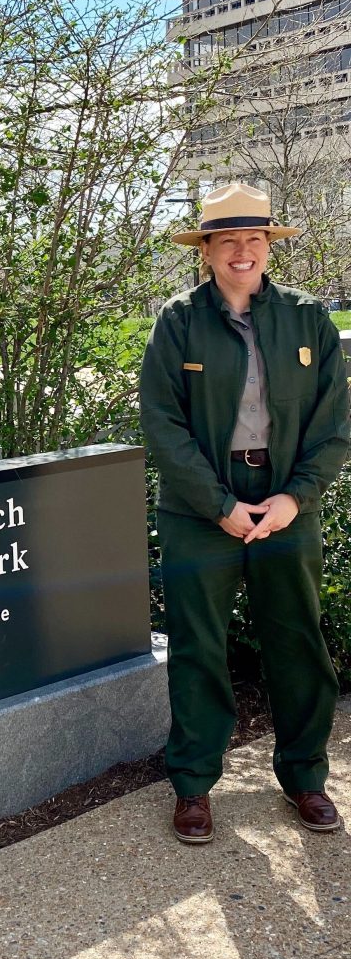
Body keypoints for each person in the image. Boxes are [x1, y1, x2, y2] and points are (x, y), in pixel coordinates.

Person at [140, 182, 350, 844]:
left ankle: (306, 775)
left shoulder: (307, 318)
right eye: (227, 239)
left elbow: (334, 425)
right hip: (200, 507)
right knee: (199, 646)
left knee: (297, 640)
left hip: (288, 498)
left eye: (254, 238)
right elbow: (162, 425)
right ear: (205, 250)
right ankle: (194, 785)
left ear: (269, 246)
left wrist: (293, 498)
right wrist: (221, 504)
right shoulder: (178, 321)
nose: (242, 251)